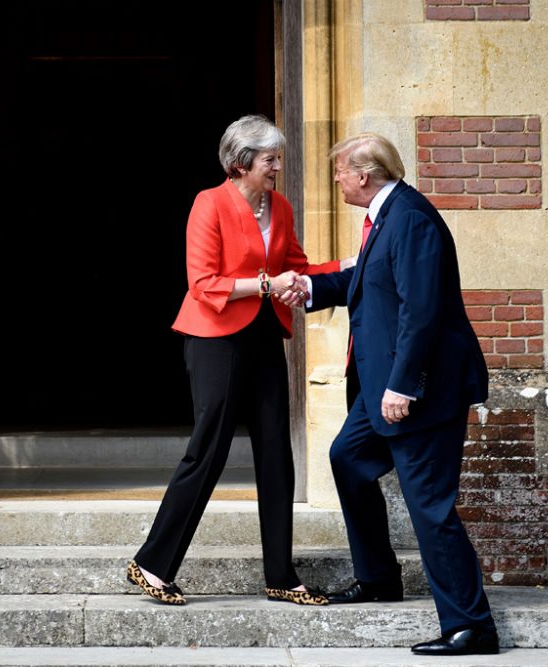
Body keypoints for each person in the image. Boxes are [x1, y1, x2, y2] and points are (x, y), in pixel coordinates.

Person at [285, 133, 499, 655]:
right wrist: (312, 287)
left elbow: (420, 312)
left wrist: (403, 386)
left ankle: (471, 625)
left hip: (418, 391)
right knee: (348, 458)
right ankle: (379, 578)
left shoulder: (411, 218)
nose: (335, 180)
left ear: (363, 174)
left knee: (430, 506)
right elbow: (368, 279)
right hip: (382, 385)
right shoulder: (389, 216)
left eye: (339, 172)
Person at [128, 115, 343, 607]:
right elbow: (203, 284)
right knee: (209, 449)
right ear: (242, 162)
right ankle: (152, 563)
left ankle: (281, 576)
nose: (277, 168)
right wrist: (267, 285)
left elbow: (299, 268)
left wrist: (355, 266)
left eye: (278, 159)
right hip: (215, 338)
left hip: (266, 336)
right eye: (270, 160)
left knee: (276, 452)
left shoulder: (281, 207)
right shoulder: (210, 203)